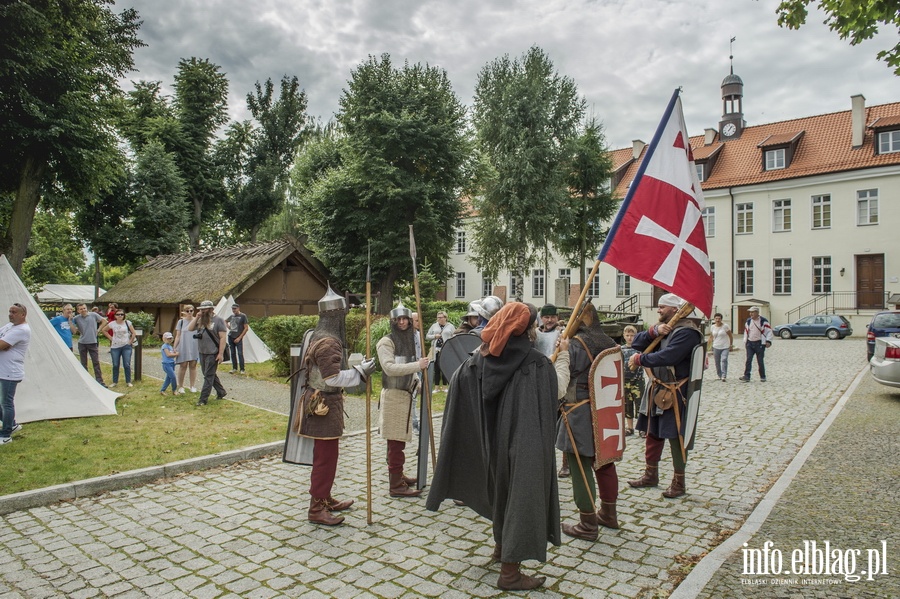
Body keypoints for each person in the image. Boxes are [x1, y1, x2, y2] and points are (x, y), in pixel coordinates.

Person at [426, 302, 560, 591]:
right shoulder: (535, 364)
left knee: (501, 487)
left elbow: (460, 394)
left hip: (490, 443)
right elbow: (547, 406)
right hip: (523, 442)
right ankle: (510, 573)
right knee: (522, 492)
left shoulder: (478, 359)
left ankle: (501, 548)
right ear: (528, 329)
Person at [297, 286, 375, 525]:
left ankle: (325, 498)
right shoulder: (329, 342)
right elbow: (332, 379)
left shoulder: (317, 335)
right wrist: (360, 372)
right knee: (325, 459)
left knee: (328, 457)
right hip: (323, 406)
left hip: (321, 401)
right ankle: (316, 509)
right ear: (338, 314)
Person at [627, 293, 704, 499]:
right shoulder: (665, 329)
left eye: (662, 307)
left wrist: (640, 359)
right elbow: (636, 341)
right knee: (653, 433)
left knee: (676, 437)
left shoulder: (687, 332)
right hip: (658, 388)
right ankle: (650, 475)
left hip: (676, 392)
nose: (659, 310)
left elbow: (668, 356)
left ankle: (679, 482)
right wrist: (654, 331)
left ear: (673, 310)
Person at [556, 303, 622, 540]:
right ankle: (608, 514)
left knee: (579, 466)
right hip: (605, 411)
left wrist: (561, 352)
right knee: (605, 463)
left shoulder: (576, 344)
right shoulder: (610, 343)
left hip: (580, 412)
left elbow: (564, 373)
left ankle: (587, 524)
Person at [376, 301, 429, 498]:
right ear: (393, 321)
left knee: (401, 440)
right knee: (395, 443)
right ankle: (395, 484)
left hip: (405, 396)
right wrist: (418, 365)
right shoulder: (386, 342)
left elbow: (407, 367)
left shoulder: (407, 342)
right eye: (398, 319)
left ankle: (399, 475)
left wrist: (418, 384)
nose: (402, 322)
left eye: (405, 318)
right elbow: (389, 368)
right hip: (393, 396)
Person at [0, 303, 31, 445]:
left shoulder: (22, 329)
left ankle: (6, 435)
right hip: (3, 370)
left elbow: (1, 345)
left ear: (22, 315)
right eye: (10, 311)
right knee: (2, 402)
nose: (10, 314)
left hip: (10, 372)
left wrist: (4, 345)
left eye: (14, 312)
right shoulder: (9, 326)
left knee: (6, 403)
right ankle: (11, 424)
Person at [188, 300, 227, 406]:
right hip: (202, 351)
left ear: (211, 309)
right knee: (208, 374)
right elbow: (190, 328)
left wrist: (220, 353)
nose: (202, 311)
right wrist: (196, 317)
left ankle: (203, 399)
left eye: (204, 309)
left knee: (208, 376)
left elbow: (223, 337)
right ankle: (221, 392)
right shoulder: (200, 320)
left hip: (213, 352)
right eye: (201, 309)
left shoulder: (219, 320)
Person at [99, 309, 137, 388]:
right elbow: (104, 330)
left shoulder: (128, 323)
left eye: (121, 314)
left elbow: (133, 333)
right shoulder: (112, 323)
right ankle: (115, 381)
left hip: (126, 346)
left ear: (124, 315)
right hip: (115, 346)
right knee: (115, 364)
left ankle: (128, 381)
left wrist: (130, 341)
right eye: (118, 314)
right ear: (115, 316)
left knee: (126, 364)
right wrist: (111, 338)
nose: (120, 316)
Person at [72, 304, 107, 386]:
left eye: (84, 308)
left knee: (96, 362)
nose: (83, 310)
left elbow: (104, 321)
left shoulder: (93, 315)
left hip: (92, 342)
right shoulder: (76, 318)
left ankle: (100, 381)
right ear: (78, 311)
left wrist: (98, 330)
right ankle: (86, 381)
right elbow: (71, 326)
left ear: (86, 308)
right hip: (82, 342)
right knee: (83, 363)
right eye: (81, 309)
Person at [620, 324, 644, 436]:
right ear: (624, 336)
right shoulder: (621, 350)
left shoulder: (639, 349)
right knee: (627, 405)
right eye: (627, 335)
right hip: (625, 380)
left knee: (640, 404)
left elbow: (645, 363)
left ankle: (642, 428)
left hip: (637, 380)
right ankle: (629, 427)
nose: (630, 338)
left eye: (632, 335)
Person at [740, 307, 773, 382]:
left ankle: (762, 376)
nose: (751, 314)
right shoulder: (748, 321)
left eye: (752, 312)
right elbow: (746, 331)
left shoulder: (763, 321)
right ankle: (747, 376)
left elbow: (769, 331)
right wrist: (745, 341)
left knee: (760, 361)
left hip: (759, 343)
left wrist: (768, 341)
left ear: (757, 313)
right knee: (748, 360)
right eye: (750, 312)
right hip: (750, 343)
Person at [173, 304, 199, 394]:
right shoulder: (181, 322)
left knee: (193, 365)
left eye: (191, 311)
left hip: (194, 345)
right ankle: (181, 386)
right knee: (183, 365)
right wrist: (175, 347)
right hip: (183, 345)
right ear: (184, 311)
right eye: (187, 311)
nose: (189, 313)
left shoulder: (197, 320)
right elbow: (178, 335)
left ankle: (192, 386)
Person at [426, 311, 454, 392]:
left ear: (445, 318)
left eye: (441, 317)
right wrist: (435, 336)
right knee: (437, 368)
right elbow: (427, 336)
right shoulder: (434, 326)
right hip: (436, 350)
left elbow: (454, 336)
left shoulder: (450, 326)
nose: (439, 319)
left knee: (445, 367)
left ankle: (445, 387)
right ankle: (437, 387)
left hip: (446, 349)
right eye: (438, 317)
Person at [709, 313, 733, 381]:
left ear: (721, 319)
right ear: (714, 319)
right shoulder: (713, 327)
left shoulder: (725, 326)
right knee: (717, 362)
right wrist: (708, 345)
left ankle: (724, 375)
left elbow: (730, 336)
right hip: (716, 346)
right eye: (716, 318)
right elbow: (711, 336)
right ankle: (719, 374)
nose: (717, 320)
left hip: (725, 346)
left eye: (719, 319)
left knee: (724, 359)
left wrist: (731, 345)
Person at [226, 303, 249, 374]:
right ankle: (234, 368)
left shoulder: (243, 316)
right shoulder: (232, 316)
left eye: (235, 309)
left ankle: (242, 369)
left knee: (240, 353)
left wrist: (239, 337)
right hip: (231, 336)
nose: (234, 310)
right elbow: (225, 321)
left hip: (238, 336)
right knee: (232, 353)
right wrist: (228, 327)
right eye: (233, 309)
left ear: (238, 308)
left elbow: (246, 328)